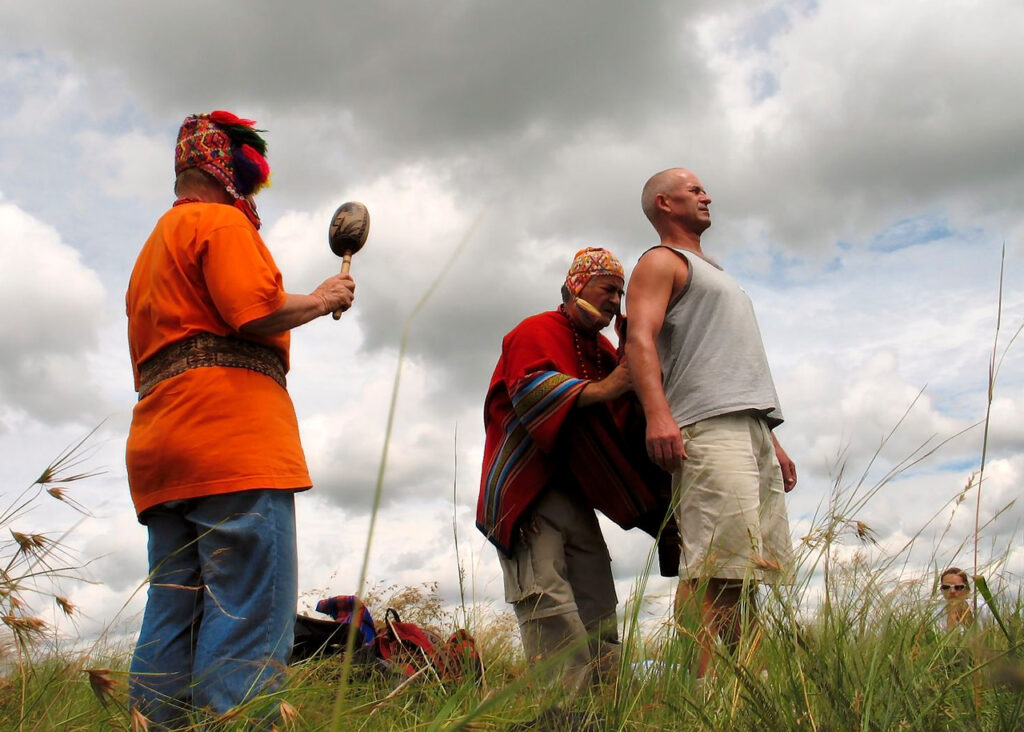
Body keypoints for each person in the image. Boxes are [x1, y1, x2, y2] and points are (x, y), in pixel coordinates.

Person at [125, 110, 356, 727]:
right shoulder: (220, 222)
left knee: (173, 609)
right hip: (232, 442)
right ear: (225, 167)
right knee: (248, 611)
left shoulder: (153, 248)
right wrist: (323, 298)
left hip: (160, 448)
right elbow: (252, 312)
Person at [625, 168, 796, 678]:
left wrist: (772, 439)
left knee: (746, 569)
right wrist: (658, 414)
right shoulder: (661, 262)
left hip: (748, 427)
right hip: (706, 426)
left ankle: (745, 685)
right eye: (695, 191)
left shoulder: (715, 271)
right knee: (713, 566)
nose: (707, 197)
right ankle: (701, 689)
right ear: (664, 203)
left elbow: (734, 365)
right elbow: (639, 340)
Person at [476, 247, 668, 695]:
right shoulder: (534, 329)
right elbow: (529, 393)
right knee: (548, 602)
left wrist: (629, 367)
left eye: (621, 294)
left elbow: (620, 421)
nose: (615, 302)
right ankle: (566, 714)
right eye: (608, 290)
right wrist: (608, 387)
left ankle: (605, 708)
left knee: (597, 601)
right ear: (578, 286)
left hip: (574, 492)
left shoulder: (602, 350)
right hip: (527, 493)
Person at [939, 567, 974, 631]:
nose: (952, 591)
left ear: (967, 590)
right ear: (941, 591)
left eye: (958, 587)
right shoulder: (935, 615)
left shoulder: (982, 608)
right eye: (946, 587)